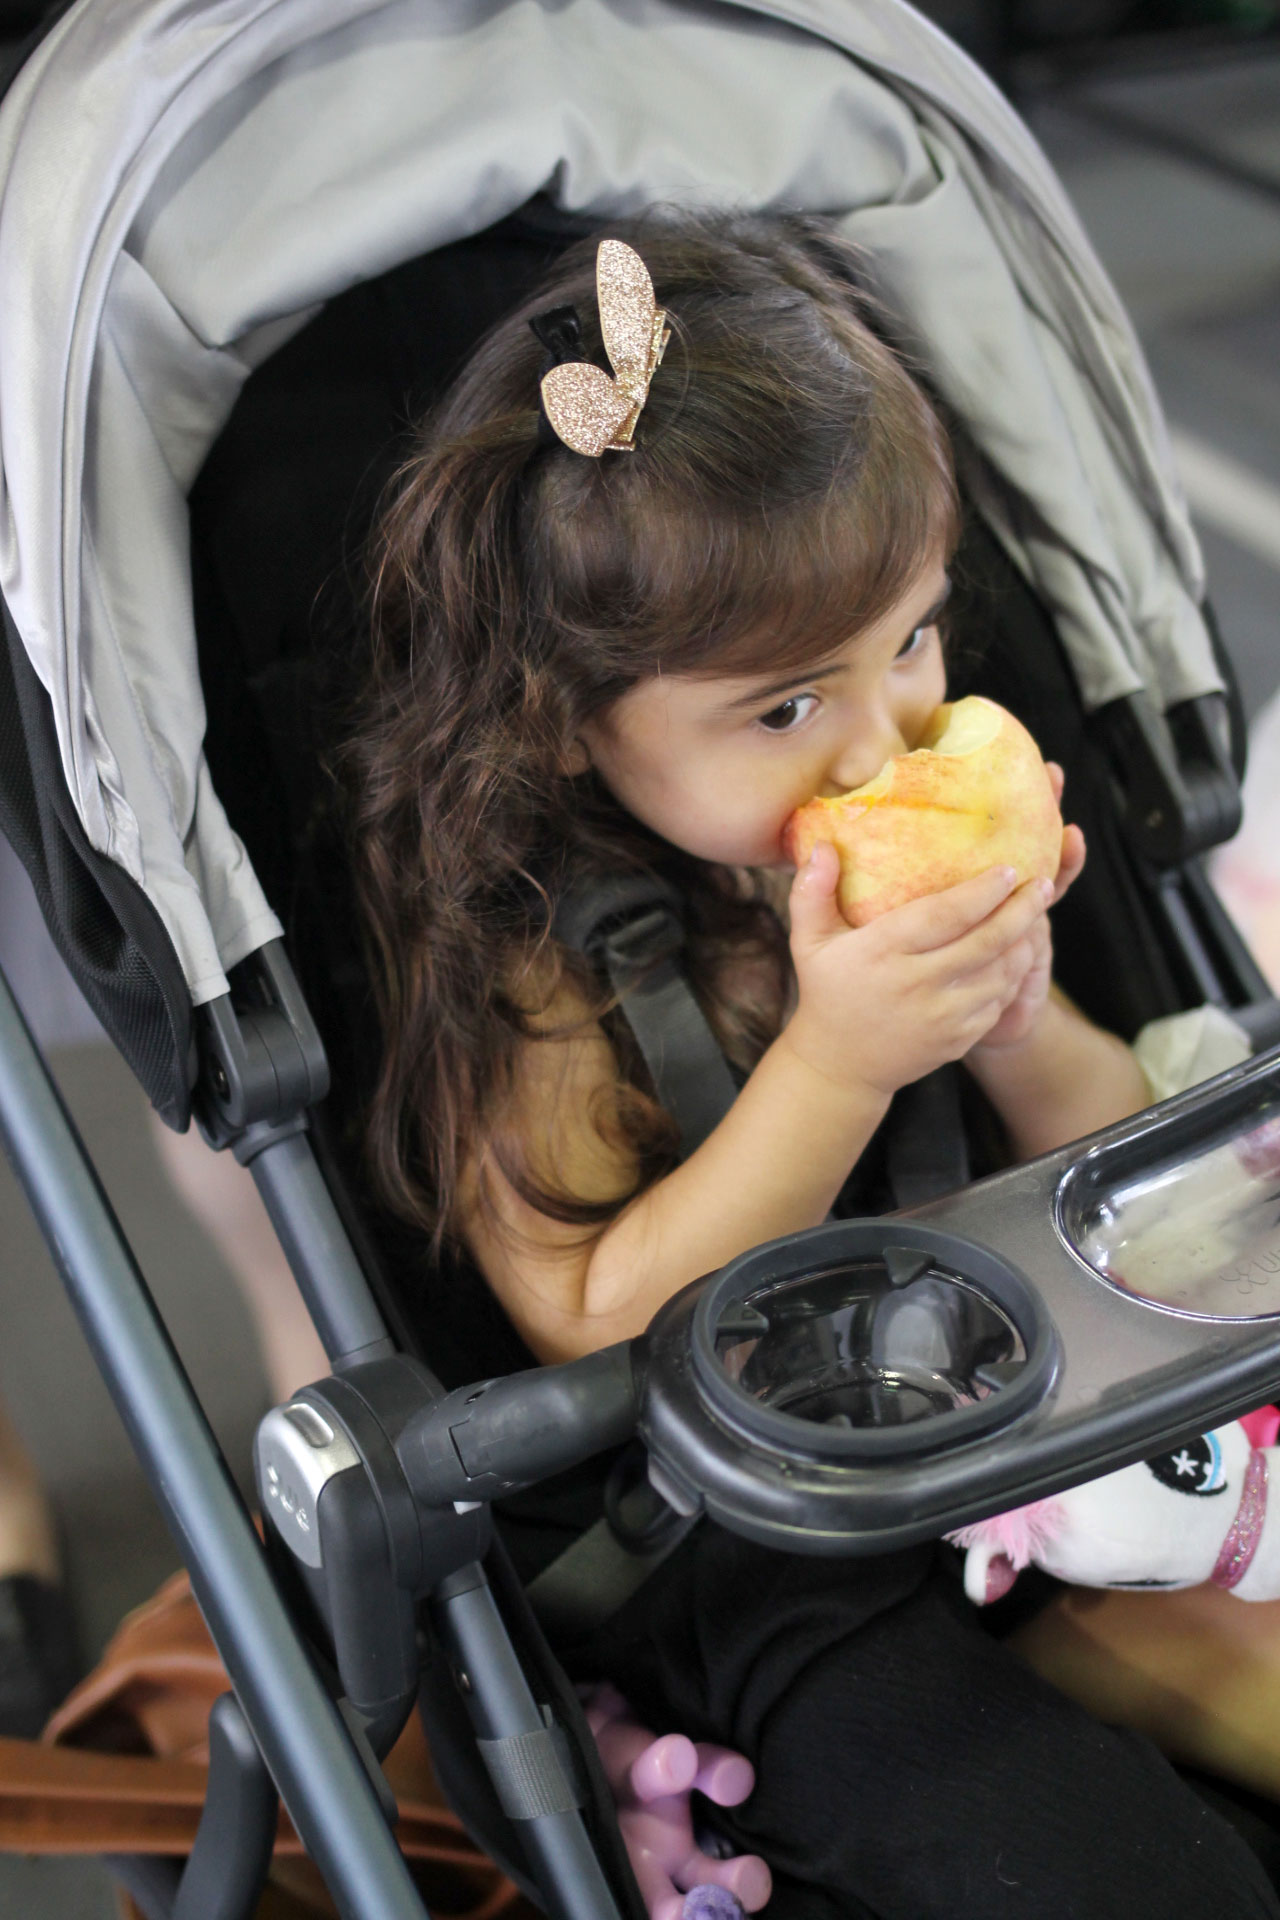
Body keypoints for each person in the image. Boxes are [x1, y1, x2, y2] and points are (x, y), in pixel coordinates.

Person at [343, 210, 1279, 1919]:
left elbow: (1127, 1183)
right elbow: (581, 1310)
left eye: (913, 640)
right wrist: (841, 1060)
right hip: (741, 1549)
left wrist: (1019, 1023)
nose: (884, 736)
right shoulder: (542, 952)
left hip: (1023, 1430)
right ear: (567, 713)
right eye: (785, 707)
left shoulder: (913, 801)